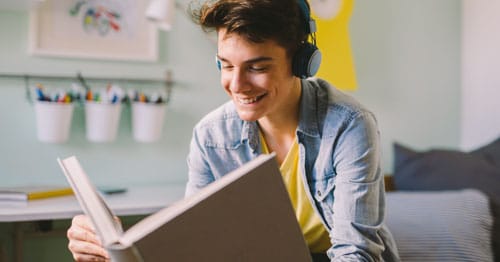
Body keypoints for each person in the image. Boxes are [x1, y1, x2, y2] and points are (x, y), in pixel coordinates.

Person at [67, 0, 400, 261]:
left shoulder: (349, 125)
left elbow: (355, 254)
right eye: (225, 65)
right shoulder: (210, 137)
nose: (236, 85)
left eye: (256, 67)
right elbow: (198, 243)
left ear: (301, 62)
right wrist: (117, 250)